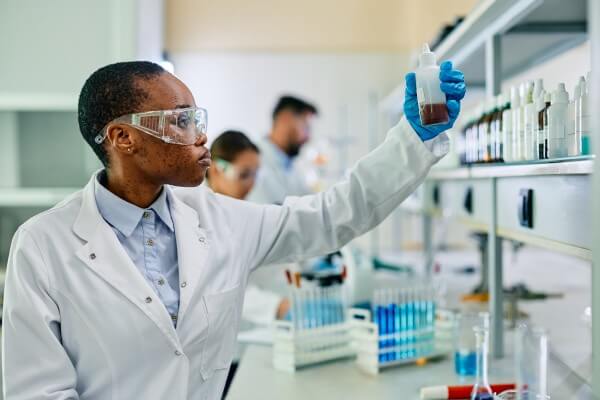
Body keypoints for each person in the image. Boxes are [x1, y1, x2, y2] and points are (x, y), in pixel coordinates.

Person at [2, 60, 465, 399]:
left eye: (196, 117)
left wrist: (412, 137)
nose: (201, 135)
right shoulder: (44, 246)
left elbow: (332, 215)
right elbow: (38, 394)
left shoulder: (220, 219)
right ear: (124, 138)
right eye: (181, 120)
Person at [205, 130, 290, 323]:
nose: (251, 184)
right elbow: (219, 285)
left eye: (255, 175)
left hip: (259, 329)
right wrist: (277, 306)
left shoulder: (243, 211)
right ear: (217, 169)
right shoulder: (200, 219)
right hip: (227, 332)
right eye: (244, 175)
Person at [247, 96, 317, 204]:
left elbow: (313, 205)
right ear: (285, 118)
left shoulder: (292, 168)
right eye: (305, 127)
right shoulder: (254, 162)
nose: (308, 137)